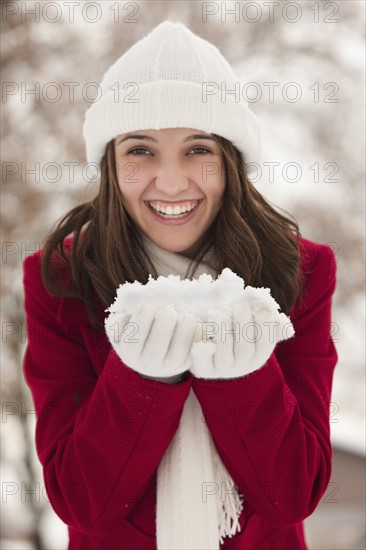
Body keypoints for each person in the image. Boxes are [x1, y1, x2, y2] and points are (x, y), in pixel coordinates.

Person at [22, 20, 338, 550]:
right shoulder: (61, 280)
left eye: (198, 149)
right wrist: (142, 379)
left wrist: (241, 378)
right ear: (110, 164)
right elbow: (82, 502)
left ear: (230, 161)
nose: (170, 182)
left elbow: (292, 496)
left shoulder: (298, 271)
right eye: (140, 150)